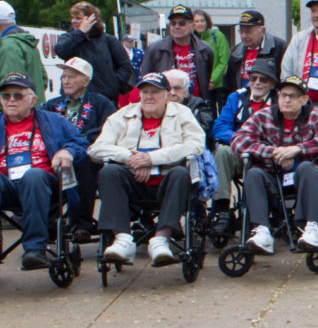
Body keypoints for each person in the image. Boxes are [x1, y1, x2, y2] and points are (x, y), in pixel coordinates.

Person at [0, 73, 87, 272]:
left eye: (18, 96)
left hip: (44, 186)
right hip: (5, 185)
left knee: (33, 175)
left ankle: (35, 248)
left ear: (33, 100)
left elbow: (81, 144)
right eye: (5, 96)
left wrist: (67, 151)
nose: (11, 100)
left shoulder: (53, 121)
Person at [89, 72, 208, 267]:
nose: (149, 96)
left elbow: (196, 144)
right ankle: (123, 240)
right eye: (145, 92)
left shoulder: (181, 113)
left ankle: (161, 240)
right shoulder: (123, 115)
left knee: (180, 173)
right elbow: (96, 149)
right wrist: (131, 158)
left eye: (155, 92)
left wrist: (152, 159)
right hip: (132, 181)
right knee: (108, 172)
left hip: (166, 181)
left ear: (167, 94)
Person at [230, 74, 318, 253]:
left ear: (304, 100)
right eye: (283, 95)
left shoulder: (315, 117)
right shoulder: (263, 116)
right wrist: (273, 153)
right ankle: (262, 231)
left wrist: (298, 149)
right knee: (253, 173)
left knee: (308, 168)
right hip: (272, 177)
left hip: (303, 180)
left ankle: (311, 228)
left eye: (292, 96)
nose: (286, 100)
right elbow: (238, 140)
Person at [41, 57, 117, 237]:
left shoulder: (101, 103)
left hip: (86, 154)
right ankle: (48, 221)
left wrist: (77, 143)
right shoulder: (52, 105)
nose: (66, 81)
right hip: (56, 155)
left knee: (83, 163)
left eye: (73, 76)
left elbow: (107, 130)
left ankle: (82, 221)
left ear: (86, 80)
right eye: (64, 76)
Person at [211, 60, 280, 228]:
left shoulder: (279, 100)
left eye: (263, 79)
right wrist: (242, 140)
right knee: (221, 152)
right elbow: (220, 127)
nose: (257, 83)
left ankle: (262, 212)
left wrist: (258, 146)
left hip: (266, 153)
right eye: (253, 78)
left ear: (272, 83)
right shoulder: (236, 97)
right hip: (239, 149)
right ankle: (222, 209)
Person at [55, 1, 137, 102]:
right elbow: (60, 51)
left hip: (105, 98)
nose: (73, 21)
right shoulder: (69, 38)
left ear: (92, 19)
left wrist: (113, 85)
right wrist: (80, 33)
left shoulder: (108, 40)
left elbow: (125, 66)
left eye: (78, 18)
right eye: (73, 18)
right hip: (74, 99)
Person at [141, 4, 213, 101]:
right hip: (166, 103)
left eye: (182, 23)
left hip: (195, 104)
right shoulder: (155, 49)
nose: (177, 27)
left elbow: (206, 77)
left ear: (192, 25)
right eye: (173, 23)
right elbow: (145, 79)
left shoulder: (205, 49)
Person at [225, 9, 288, 92]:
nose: (244, 36)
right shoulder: (236, 52)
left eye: (248, 31)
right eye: (241, 31)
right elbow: (228, 84)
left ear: (262, 31)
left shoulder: (280, 48)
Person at [161, 70, 216, 148]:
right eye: (168, 88)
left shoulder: (199, 107)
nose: (172, 93)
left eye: (177, 88)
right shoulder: (156, 107)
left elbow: (200, 134)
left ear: (186, 91)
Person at [193, 10, 233, 104]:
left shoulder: (217, 36)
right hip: (202, 86)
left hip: (219, 85)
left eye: (202, 21)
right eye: (197, 21)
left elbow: (224, 61)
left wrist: (212, 80)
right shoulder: (192, 40)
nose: (200, 24)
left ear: (207, 22)